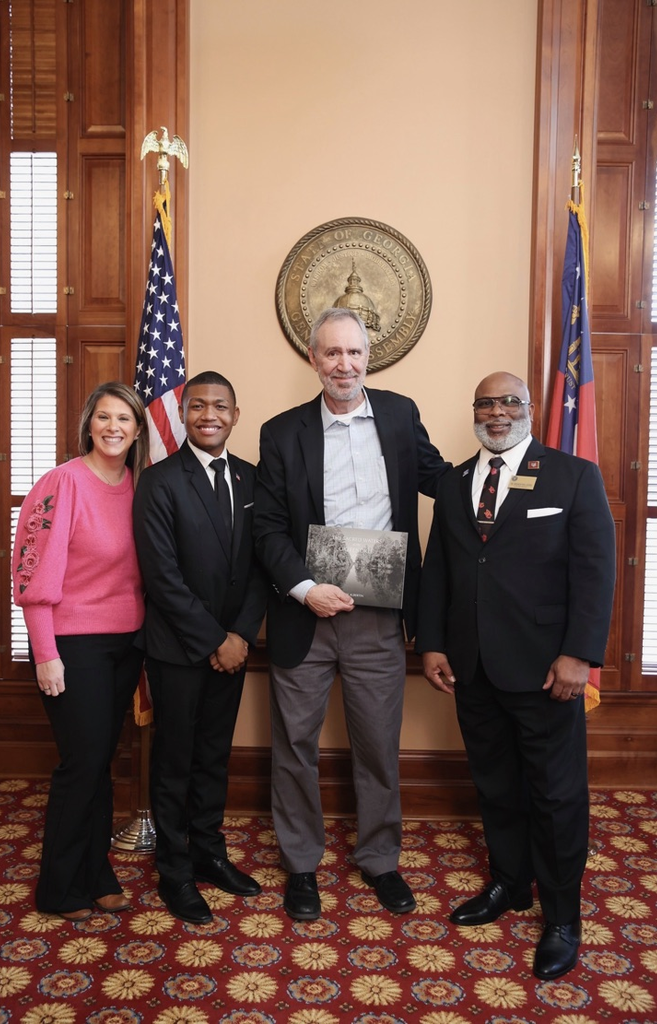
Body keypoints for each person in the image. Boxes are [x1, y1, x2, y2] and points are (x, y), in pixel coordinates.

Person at [416, 370, 616, 981]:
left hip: (547, 669)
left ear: (530, 408)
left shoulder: (572, 475)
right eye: (486, 403)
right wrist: (432, 645)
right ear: (473, 410)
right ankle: (510, 884)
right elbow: (440, 571)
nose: (497, 412)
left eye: (510, 402)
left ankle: (562, 917)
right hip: (472, 666)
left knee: (556, 796)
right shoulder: (453, 484)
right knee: (497, 784)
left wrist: (579, 655)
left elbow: (595, 570)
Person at [253, 307, 449, 921]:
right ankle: (302, 865)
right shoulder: (280, 432)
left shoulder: (399, 414)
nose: (345, 364)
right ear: (313, 360)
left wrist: (516, 472)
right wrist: (304, 587)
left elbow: (442, 479)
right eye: (332, 353)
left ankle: (381, 860)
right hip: (306, 613)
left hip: (379, 616)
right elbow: (267, 527)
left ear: (370, 357)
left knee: (378, 745)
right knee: (294, 745)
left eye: (354, 353)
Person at [133, 370, 267, 925]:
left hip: (234, 646)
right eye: (199, 407)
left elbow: (263, 564)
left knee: (214, 757)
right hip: (179, 651)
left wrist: (239, 635)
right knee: (175, 761)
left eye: (221, 407)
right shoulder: (159, 480)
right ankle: (174, 869)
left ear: (236, 415)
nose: (209, 415)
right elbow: (162, 577)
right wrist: (215, 639)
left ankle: (210, 853)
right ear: (183, 414)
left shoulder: (255, 480)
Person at [13, 381, 149, 921]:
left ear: (139, 430)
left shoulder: (141, 487)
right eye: (104, 417)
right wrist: (46, 653)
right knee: (82, 764)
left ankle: (96, 873)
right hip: (72, 645)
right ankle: (59, 886)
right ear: (88, 424)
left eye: (125, 419)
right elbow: (31, 575)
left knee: (100, 765)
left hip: (126, 644)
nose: (114, 427)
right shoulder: (61, 484)